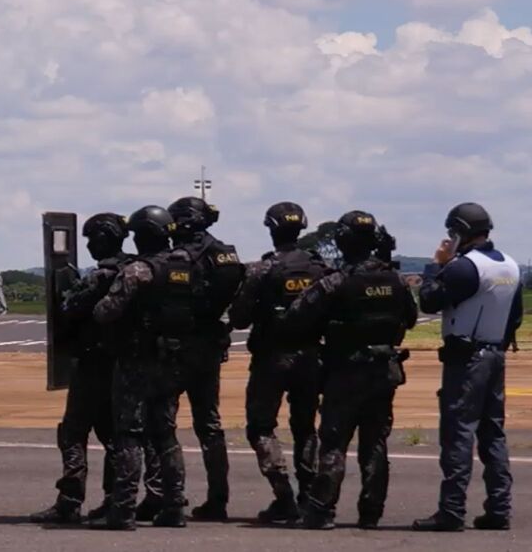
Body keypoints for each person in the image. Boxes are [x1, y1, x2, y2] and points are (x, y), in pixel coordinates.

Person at [288, 211, 417, 530]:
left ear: (344, 242)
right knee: (375, 442)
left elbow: (297, 316)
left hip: (345, 371)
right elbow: (411, 318)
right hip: (383, 372)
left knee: (333, 442)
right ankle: (371, 511)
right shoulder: (396, 280)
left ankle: (320, 509)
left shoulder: (337, 281)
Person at [412, 203, 522, 532]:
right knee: (493, 433)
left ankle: (452, 509)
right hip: (495, 353)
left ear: (459, 232)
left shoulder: (464, 267)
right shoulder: (511, 266)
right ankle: (499, 507)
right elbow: (515, 316)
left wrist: (436, 266)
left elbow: (429, 301)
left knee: (458, 433)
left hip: (467, 357)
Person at [90, 206, 191, 530]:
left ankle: (123, 509)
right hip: (173, 362)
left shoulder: (138, 271)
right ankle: (174, 505)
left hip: (137, 362)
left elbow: (106, 311)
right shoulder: (185, 266)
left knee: (130, 435)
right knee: (167, 436)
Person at [143, 195, 243, 522]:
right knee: (210, 426)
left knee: (162, 425)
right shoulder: (224, 254)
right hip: (210, 348)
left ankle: (170, 500)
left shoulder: (176, 259)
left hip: (176, 350)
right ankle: (218, 500)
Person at [228, 202, 329, 523]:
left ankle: (283, 495)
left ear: (271, 229)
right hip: (311, 358)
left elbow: (239, 319)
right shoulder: (320, 268)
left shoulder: (262, 270)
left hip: (271, 359)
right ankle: (309, 495)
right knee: (306, 428)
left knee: (261, 427)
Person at [30, 213, 129, 524]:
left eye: (91, 239)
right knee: (114, 436)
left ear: (103, 239)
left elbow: (70, 309)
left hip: (93, 365)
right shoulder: (135, 269)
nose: (88, 245)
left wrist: (68, 286)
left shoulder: (99, 276)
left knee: (73, 433)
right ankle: (115, 499)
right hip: (123, 365)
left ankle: (70, 501)